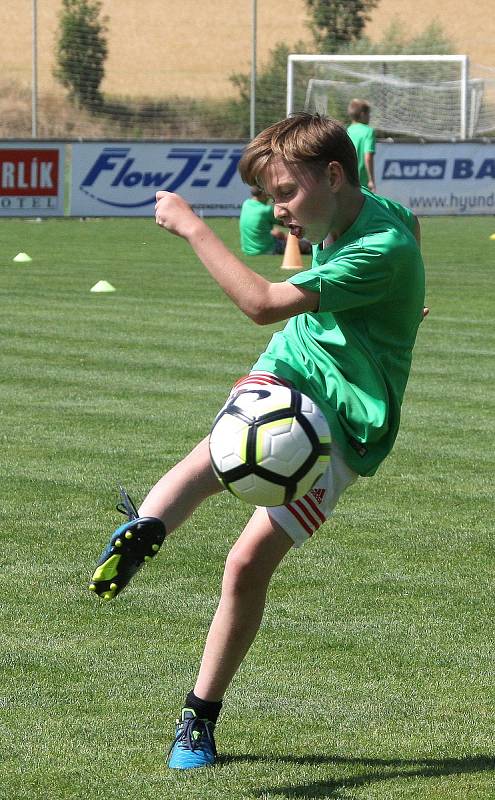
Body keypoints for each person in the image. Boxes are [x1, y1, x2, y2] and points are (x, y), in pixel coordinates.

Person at [89, 112, 425, 770]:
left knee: (244, 566)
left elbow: (263, 302)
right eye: (270, 199)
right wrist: (420, 299)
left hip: (349, 421)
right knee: (220, 451)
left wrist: (191, 225)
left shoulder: (379, 250)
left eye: (285, 195)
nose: (279, 215)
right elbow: (412, 219)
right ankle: (146, 529)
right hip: (292, 365)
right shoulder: (366, 209)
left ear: (332, 174)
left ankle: (198, 714)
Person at [240, 185, 312, 256]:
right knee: (305, 244)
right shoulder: (265, 210)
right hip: (267, 249)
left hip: (248, 250)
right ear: (263, 194)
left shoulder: (246, 204)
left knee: (280, 235)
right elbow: (287, 223)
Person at [347, 98, 376, 193]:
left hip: (348, 180)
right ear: (363, 114)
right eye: (369, 114)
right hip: (362, 183)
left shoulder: (347, 131)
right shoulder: (368, 131)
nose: (369, 117)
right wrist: (371, 180)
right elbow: (368, 157)